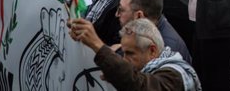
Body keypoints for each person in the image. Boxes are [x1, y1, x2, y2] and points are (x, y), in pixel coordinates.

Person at [70, 18, 201, 91]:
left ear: (152, 51)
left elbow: (141, 86)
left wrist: (98, 46)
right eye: (124, 52)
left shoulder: (174, 76)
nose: (125, 59)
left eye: (130, 53)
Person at [117, 0, 191, 62]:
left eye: (121, 10)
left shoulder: (165, 50)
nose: (117, 14)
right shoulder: (152, 33)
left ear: (139, 16)